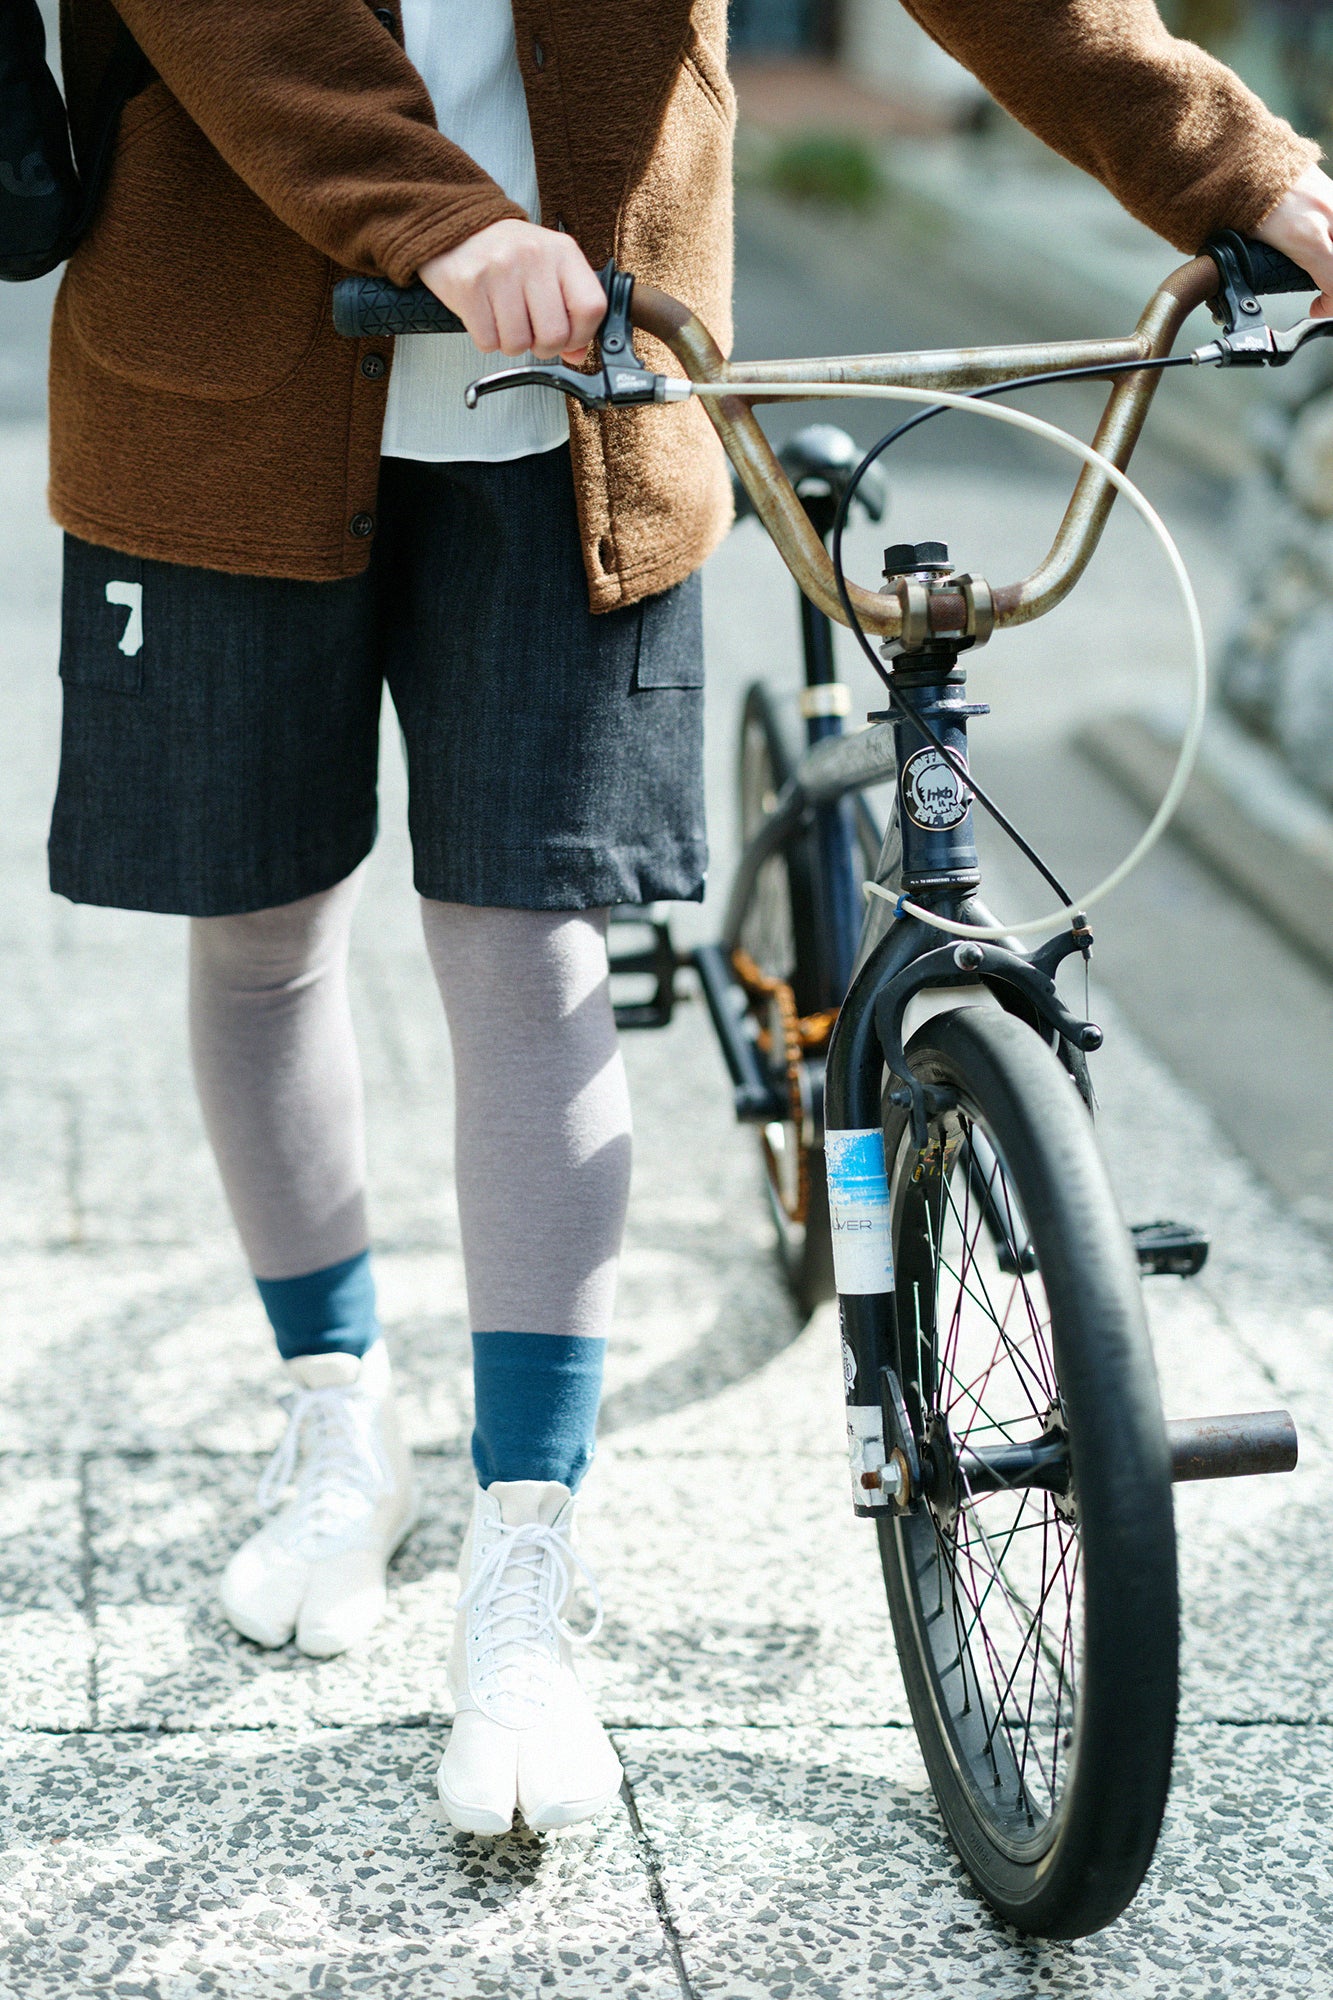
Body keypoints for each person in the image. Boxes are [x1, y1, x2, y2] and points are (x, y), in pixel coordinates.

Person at [47, 0, 1333, 1838]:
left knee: (532, 943)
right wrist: (439, 218)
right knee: (259, 931)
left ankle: (523, 1564)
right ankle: (337, 1421)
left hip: (599, 389)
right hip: (222, 375)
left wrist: (1230, 163)